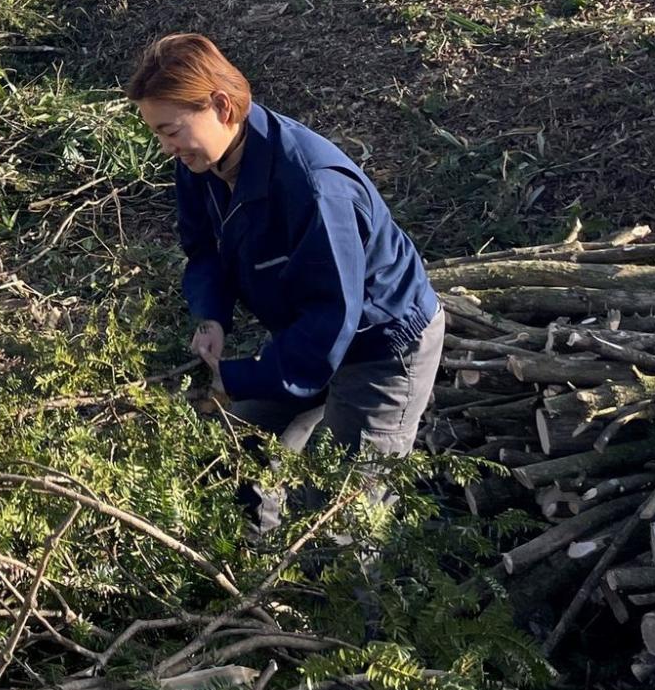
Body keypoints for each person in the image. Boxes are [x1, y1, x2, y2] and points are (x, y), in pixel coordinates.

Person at [127, 33, 443, 489]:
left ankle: (330, 557)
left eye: (170, 131)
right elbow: (203, 251)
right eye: (157, 133)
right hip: (303, 330)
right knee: (239, 459)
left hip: (379, 342)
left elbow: (334, 314)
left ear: (221, 106)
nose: (166, 148)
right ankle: (254, 553)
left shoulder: (313, 185)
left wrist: (239, 378)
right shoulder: (199, 163)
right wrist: (211, 316)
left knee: (341, 504)